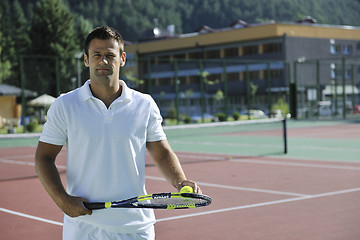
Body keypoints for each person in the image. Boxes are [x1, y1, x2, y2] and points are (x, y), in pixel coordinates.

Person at [35, 26, 202, 240]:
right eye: (96, 55)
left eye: (110, 55)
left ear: (122, 58)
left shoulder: (145, 104)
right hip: (83, 228)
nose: (103, 61)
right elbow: (44, 157)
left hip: (135, 227)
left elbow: (162, 153)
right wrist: (62, 199)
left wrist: (180, 181)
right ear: (86, 60)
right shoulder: (65, 105)